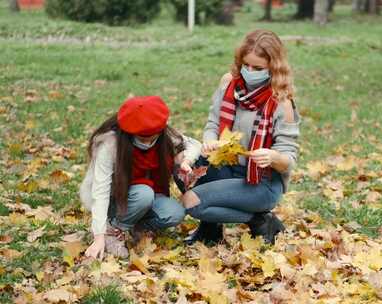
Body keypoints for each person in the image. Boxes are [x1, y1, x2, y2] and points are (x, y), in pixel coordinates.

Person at [181, 29, 300, 245]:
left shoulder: (282, 102)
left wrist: (273, 157)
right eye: (246, 65)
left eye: (258, 68)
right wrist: (210, 141)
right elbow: (213, 124)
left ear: (273, 68)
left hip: (260, 183)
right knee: (182, 167)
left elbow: (289, 160)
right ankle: (211, 229)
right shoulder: (229, 82)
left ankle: (260, 219)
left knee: (192, 203)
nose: (249, 71)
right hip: (225, 166)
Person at [80, 96, 201, 259]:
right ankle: (113, 231)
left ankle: (136, 227)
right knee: (144, 193)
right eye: (143, 138)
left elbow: (194, 145)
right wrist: (99, 236)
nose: (148, 142)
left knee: (174, 212)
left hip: (147, 195)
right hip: (116, 199)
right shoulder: (110, 144)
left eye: (153, 137)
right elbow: (100, 191)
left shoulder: (164, 135)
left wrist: (186, 160)